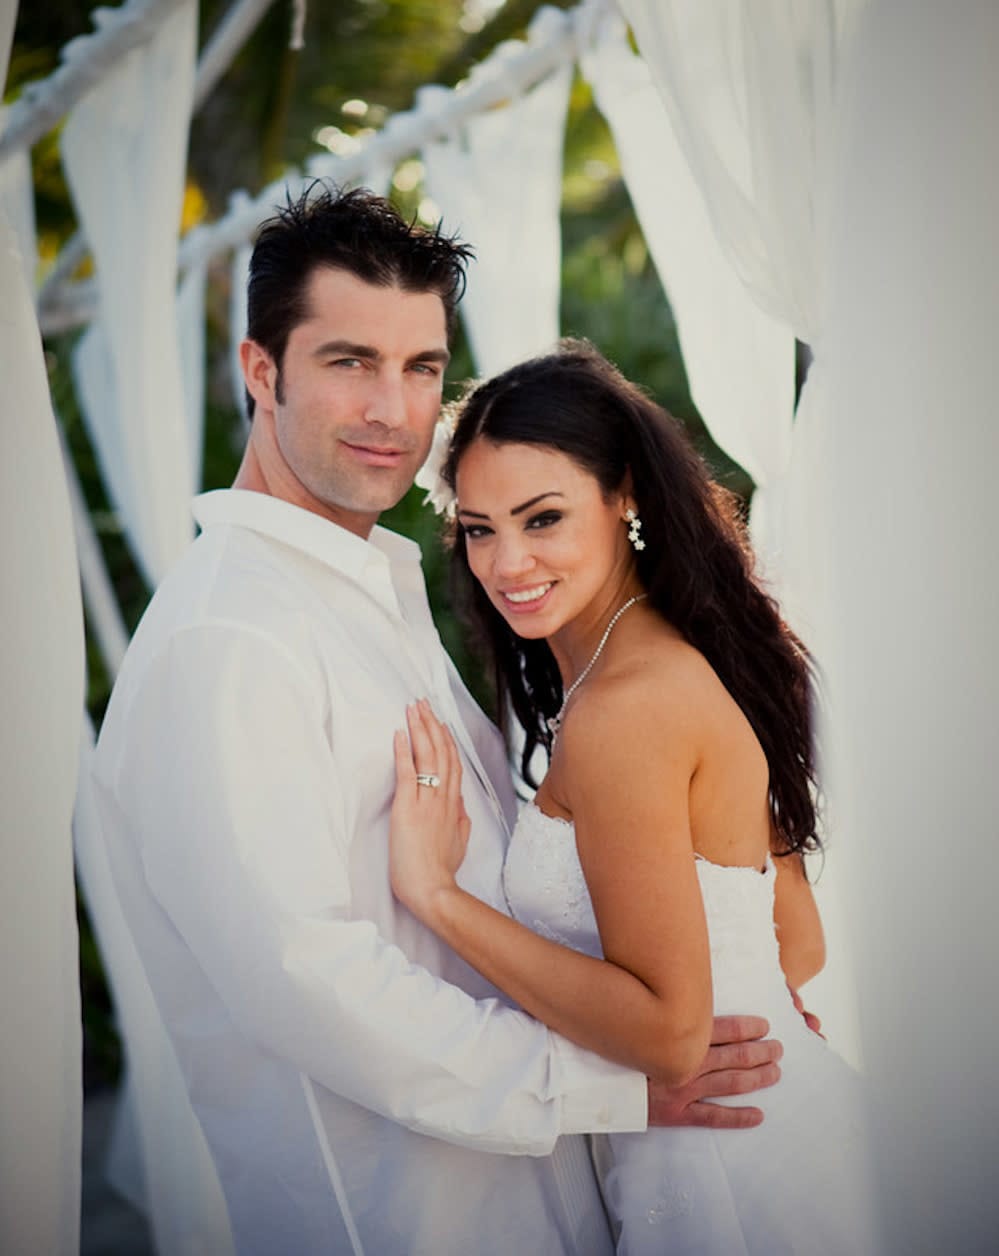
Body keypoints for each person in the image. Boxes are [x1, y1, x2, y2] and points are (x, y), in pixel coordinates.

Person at [91, 186, 783, 1255]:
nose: (394, 409)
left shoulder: (374, 593)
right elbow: (309, 975)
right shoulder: (228, 638)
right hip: (402, 1220)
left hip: (541, 1198)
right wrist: (602, 1085)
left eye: (421, 367)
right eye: (349, 361)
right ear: (260, 370)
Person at [389, 340, 878, 1254]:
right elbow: (797, 943)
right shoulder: (669, 658)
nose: (505, 563)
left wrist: (436, 899)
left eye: (542, 519)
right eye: (481, 527)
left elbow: (665, 1035)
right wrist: (747, 995)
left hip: (728, 1167)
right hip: (764, 1121)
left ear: (624, 499)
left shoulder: (623, 708)